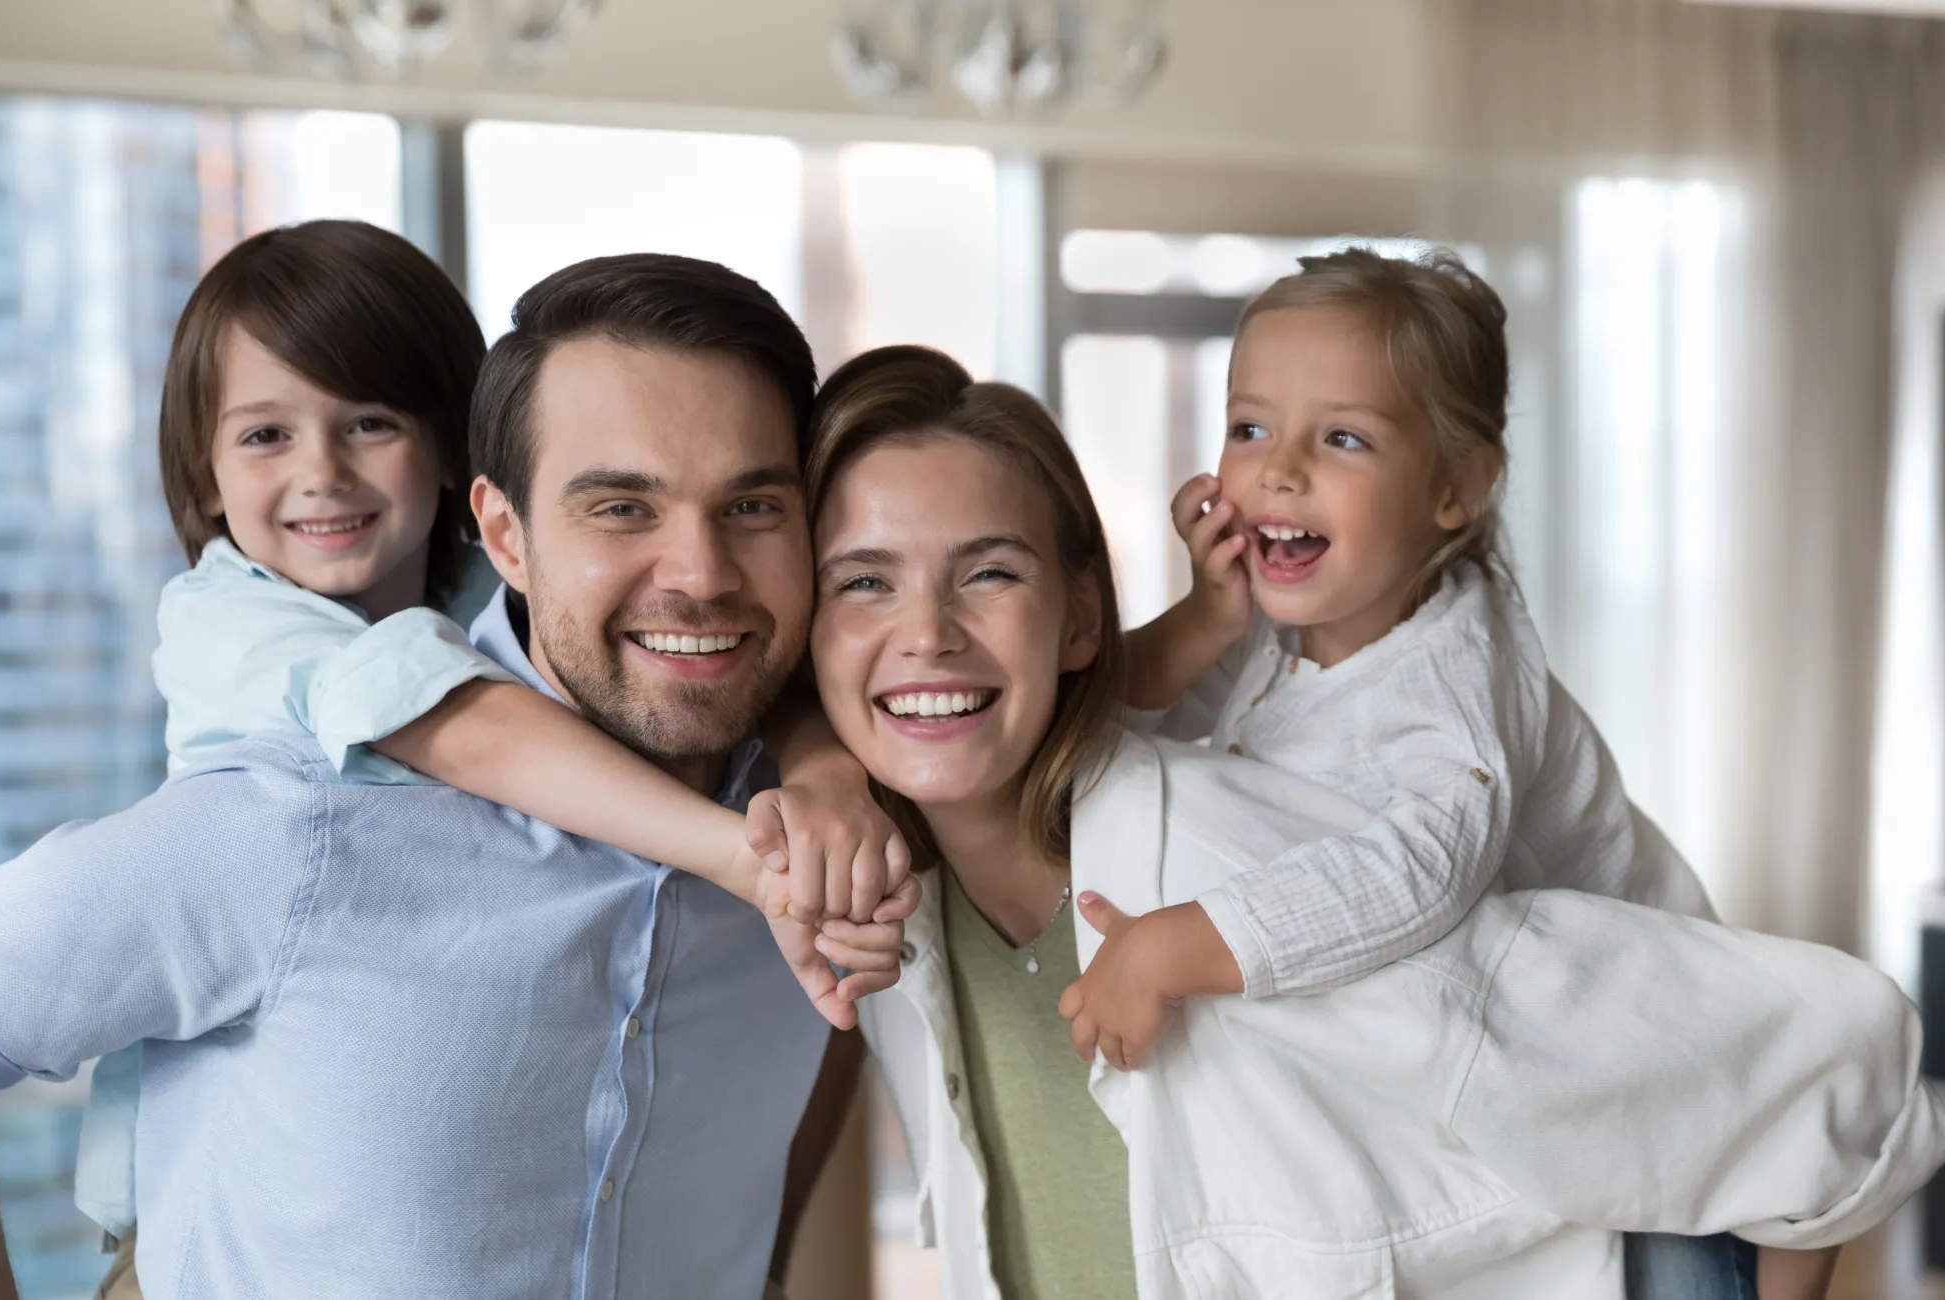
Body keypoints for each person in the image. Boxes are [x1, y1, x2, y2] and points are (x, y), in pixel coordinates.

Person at [805, 344, 1945, 1300]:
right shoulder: (879, 906)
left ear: (1080, 617)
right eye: (861, 582)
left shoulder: (1251, 870)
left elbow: (1831, 1056)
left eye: (987, 573)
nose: (926, 635)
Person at [0, 251, 902, 1300]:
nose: (701, 573)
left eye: (752, 506)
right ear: (505, 532)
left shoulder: (846, 832)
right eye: (621, 508)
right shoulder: (295, 818)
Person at [1060, 245, 1824, 1296]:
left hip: (1642, 1060)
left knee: (1705, 1230)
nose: (1278, 468)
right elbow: (1114, 715)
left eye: (1340, 437)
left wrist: (1178, 947)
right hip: (1503, 1061)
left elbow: (1424, 864)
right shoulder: (1281, 629)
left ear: (1455, 487)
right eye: (1248, 428)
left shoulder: (1455, 663)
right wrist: (1203, 616)